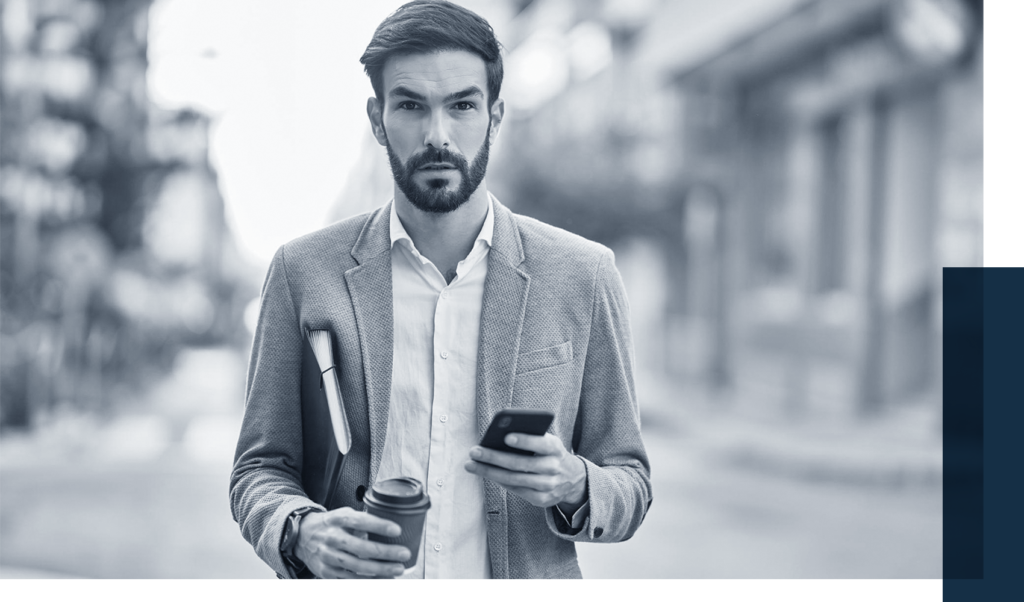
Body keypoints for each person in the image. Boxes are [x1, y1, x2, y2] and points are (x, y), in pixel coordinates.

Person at [230, 0, 651, 580]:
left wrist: (574, 482)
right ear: (377, 119)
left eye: (462, 106)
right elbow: (258, 468)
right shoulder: (303, 271)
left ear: (495, 116)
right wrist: (300, 530)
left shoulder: (583, 274)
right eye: (410, 106)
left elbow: (630, 481)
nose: (438, 135)